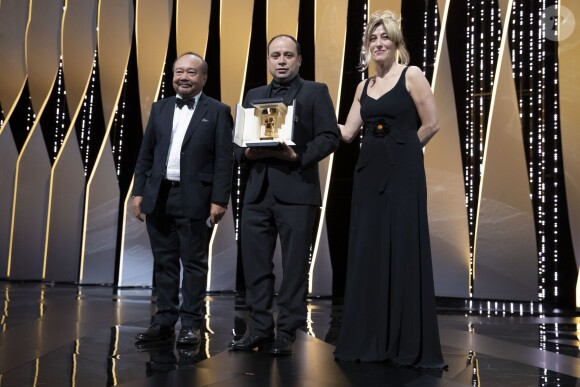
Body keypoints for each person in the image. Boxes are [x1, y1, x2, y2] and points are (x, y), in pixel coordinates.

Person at [333, 11, 445, 368]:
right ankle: (369, 338)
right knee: (369, 248)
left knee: (401, 245)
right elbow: (348, 133)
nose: (378, 43)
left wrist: (405, 151)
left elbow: (432, 123)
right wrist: (309, 118)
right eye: (373, 39)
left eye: (385, 38)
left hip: (402, 170)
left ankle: (405, 341)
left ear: (397, 44)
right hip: (368, 171)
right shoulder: (362, 86)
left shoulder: (411, 75)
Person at [229, 35, 340, 355]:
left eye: (288, 55)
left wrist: (299, 155)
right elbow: (236, 144)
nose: (281, 60)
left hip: (297, 191)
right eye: (275, 55)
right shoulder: (254, 95)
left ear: (299, 59)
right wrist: (245, 155)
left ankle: (287, 332)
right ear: (267, 60)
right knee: (255, 266)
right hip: (256, 193)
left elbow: (330, 136)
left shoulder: (315, 91)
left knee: (293, 269)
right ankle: (260, 329)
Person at [132, 52, 233, 346]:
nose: (183, 77)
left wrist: (219, 200)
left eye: (191, 72)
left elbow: (224, 160)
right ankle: (164, 320)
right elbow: (146, 153)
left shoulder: (217, 111)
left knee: (193, 263)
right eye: (179, 72)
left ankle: (191, 323)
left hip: (195, 196)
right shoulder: (160, 108)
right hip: (159, 194)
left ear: (203, 78)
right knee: (164, 263)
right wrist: (139, 191)